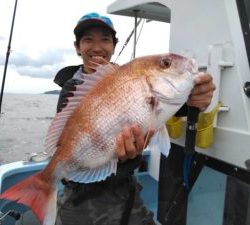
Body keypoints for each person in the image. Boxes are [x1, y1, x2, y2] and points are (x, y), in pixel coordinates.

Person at [16, 12, 215, 225]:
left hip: (127, 190)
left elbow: (163, 104)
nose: (97, 46)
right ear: (77, 47)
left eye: (105, 39)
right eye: (88, 39)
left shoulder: (128, 78)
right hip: (82, 196)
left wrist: (195, 99)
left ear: (113, 45)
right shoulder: (71, 87)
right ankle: (44, 185)